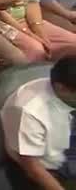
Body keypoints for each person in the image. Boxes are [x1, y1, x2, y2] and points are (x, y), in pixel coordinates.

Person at [4, 57, 76, 190]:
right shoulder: (30, 112)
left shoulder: (65, 92)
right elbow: (33, 169)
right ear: (62, 88)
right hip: (45, 170)